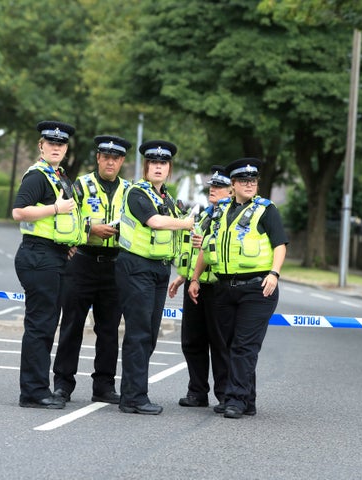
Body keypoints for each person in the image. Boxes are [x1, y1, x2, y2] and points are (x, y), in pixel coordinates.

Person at [188, 157, 288, 419]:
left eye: (253, 180)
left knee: (244, 346)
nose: (249, 184)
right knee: (230, 345)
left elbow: (280, 244)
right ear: (232, 184)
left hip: (257, 288)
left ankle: (234, 399)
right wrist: (196, 278)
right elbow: (206, 246)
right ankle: (247, 400)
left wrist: (275, 273)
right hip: (224, 288)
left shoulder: (266, 210)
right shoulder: (219, 211)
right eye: (244, 180)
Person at [115, 140, 195, 415]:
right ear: (146, 167)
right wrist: (186, 223)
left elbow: (174, 232)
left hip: (158, 269)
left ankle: (133, 392)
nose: (158, 167)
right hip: (136, 267)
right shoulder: (138, 193)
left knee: (148, 334)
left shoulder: (167, 198)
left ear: (169, 169)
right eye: (153, 163)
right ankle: (134, 398)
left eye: (163, 164)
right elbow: (154, 222)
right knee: (138, 333)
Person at [53, 135, 132, 405]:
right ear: (98, 158)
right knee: (72, 325)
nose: (110, 162)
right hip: (83, 261)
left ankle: (104, 386)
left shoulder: (130, 189)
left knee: (109, 329)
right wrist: (89, 229)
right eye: (106, 157)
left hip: (115, 265)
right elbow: (66, 215)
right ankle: (63, 384)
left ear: (122, 161)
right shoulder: (82, 185)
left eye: (116, 158)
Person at [12, 120, 85, 409]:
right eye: (51, 143)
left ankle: (37, 388)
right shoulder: (37, 176)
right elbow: (19, 211)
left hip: (52, 255)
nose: (56, 148)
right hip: (38, 256)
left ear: (66, 149)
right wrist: (55, 207)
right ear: (41, 146)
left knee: (45, 324)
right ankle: (33, 392)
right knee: (40, 326)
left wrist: (67, 244)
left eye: (61, 144)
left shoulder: (60, 176)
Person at [168, 165, 232, 409]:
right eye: (212, 186)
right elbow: (198, 251)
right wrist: (184, 277)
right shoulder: (207, 214)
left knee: (219, 342)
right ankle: (197, 391)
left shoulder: (232, 215)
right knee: (192, 341)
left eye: (219, 186)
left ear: (231, 190)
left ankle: (226, 394)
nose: (213, 190)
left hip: (218, 287)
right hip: (196, 285)